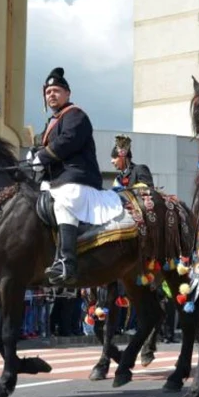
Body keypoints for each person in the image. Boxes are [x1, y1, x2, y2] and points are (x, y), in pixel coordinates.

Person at [30, 67, 124, 285]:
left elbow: (68, 141)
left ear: (67, 93)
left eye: (56, 90)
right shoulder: (52, 122)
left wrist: (43, 155)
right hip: (55, 180)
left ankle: (67, 262)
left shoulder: (75, 115)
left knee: (65, 203)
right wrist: (34, 155)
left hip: (76, 178)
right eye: (48, 92)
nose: (51, 94)